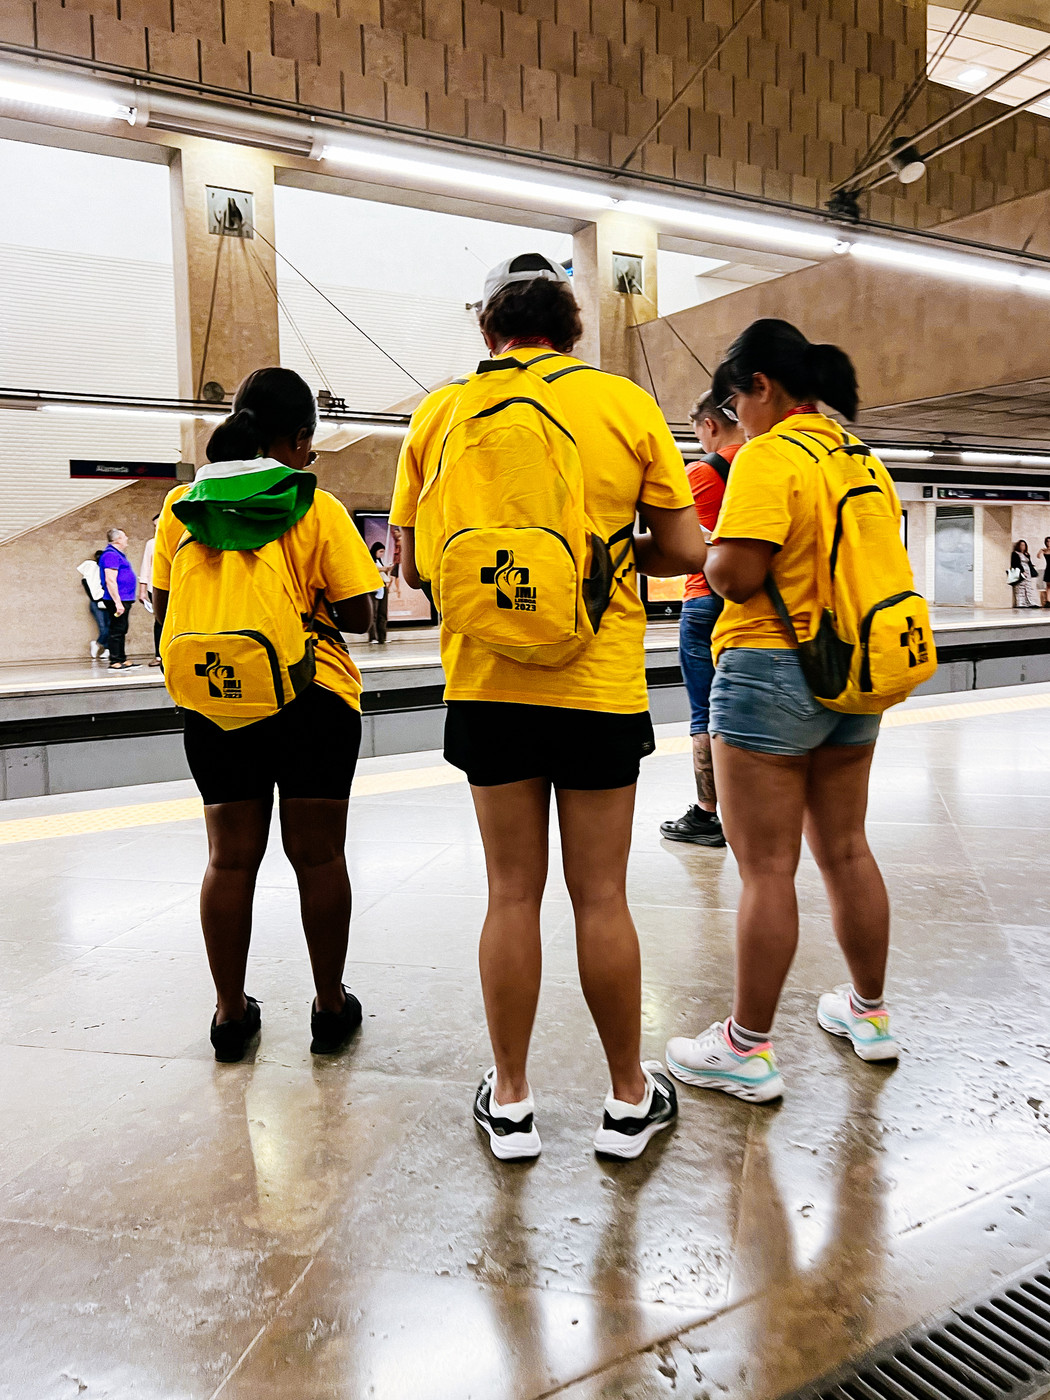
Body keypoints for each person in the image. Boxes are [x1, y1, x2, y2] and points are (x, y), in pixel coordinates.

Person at [391, 253, 706, 1160]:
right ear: (574, 330)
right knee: (601, 896)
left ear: (488, 331)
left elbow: (415, 565)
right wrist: (605, 551)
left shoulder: (441, 413)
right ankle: (626, 1100)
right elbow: (683, 548)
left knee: (510, 895)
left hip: (488, 683)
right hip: (597, 683)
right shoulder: (623, 405)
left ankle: (516, 1103)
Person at [665, 318, 900, 1104]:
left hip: (769, 668)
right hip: (853, 668)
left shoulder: (773, 454)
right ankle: (869, 1015)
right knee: (847, 850)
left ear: (762, 387)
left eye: (737, 400)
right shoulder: (860, 458)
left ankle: (746, 1047)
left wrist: (696, 547)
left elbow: (731, 576)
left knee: (767, 868)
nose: (737, 418)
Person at [152, 367, 381, 1063]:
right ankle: (331, 1007)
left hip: (216, 699)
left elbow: (164, 615)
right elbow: (357, 612)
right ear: (299, 439)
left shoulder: (180, 506)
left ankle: (229, 1016)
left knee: (228, 861)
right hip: (312, 698)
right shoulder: (315, 505)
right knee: (318, 857)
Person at [660, 391, 745, 848]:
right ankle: (748, 804)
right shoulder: (763, 466)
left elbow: (675, 542)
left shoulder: (705, 472)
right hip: (750, 604)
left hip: (704, 601)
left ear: (710, 425)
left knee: (704, 711)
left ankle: (707, 814)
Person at [98, 527, 139, 670]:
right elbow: (110, 580)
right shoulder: (110, 555)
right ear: (118, 539)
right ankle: (115, 660)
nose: (127, 539)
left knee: (122, 629)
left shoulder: (118, 554)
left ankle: (122, 658)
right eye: (124, 536)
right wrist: (118, 602)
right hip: (117, 599)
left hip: (124, 598)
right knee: (116, 629)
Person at [138, 514, 162, 665]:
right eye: (155, 526)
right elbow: (146, 567)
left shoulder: (176, 541)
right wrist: (142, 590)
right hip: (156, 587)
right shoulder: (152, 544)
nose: (157, 528)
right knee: (159, 621)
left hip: (177, 587)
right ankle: (159, 655)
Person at [77, 549, 109, 659]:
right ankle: (98, 644)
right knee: (103, 627)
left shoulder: (106, 569)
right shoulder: (92, 569)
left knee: (110, 626)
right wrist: (95, 598)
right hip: (96, 602)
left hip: (108, 600)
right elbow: (86, 583)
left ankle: (106, 648)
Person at [367, 540, 391, 644]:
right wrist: (382, 569)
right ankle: (373, 637)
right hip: (374, 589)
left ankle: (382, 637)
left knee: (383, 613)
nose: (382, 554)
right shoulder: (369, 561)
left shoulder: (379, 561)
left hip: (382, 588)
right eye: (380, 551)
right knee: (374, 614)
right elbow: (371, 571)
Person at [1012, 539, 1040, 609]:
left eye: (1024, 545)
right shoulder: (1015, 553)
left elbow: (1029, 563)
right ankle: (1020, 603)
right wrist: (1021, 571)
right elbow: (1015, 563)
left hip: (1028, 572)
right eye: (1021, 545)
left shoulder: (1026, 554)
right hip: (1020, 571)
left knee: (1028, 587)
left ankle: (1030, 602)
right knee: (1020, 587)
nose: (1023, 546)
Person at [1037, 538, 1050, 609]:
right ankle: (1048, 601)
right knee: (1048, 585)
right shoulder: (1045, 550)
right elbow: (1038, 556)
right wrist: (1040, 551)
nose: (1049, 542)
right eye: (1047, 541)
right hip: (1048, 568)